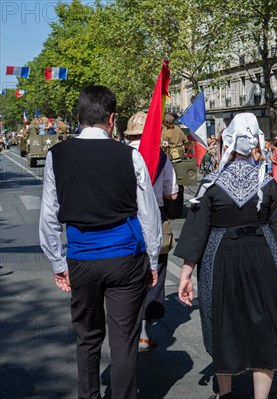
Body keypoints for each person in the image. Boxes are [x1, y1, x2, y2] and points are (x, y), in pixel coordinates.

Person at [39, 86, 162, 399]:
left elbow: (49, 217)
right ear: (111, 118)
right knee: (123, 341)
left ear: (79, 117)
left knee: (87, 338)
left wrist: (57, 262)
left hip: (81, 259)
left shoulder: (57, 155)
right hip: (125, 260)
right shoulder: (130, 156)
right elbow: (148, 215)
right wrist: (152, 260)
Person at [175, 113, 277, 399]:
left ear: (227, 142)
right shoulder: (267, 182)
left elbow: (197, 231)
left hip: (221, 258)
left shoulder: (211, 184)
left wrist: (185, 276)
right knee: (264, 327)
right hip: (264, 257)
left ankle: (225, 394)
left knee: (226, 324)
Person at [124, 111, 179, 351]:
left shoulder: (121, 154)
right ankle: (146, 333)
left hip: (126, 221)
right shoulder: (162, 157)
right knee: (155, 275)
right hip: (155, 216)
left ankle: (128, 329)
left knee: (127, 277)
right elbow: (173, 193)